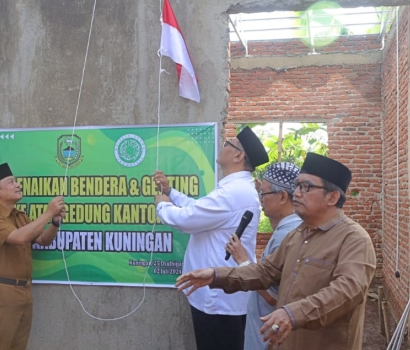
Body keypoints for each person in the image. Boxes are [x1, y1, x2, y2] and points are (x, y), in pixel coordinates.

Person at [175, 153, 376, 350]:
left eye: (306, 187)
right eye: (297, 185)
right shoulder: (298, 235)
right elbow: (265, 272)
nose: (296, 193)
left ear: (332, 197)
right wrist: (216, 275)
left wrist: (292, 314)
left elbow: (348, 291)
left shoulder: (354, 239)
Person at [153, 126, 269, 350]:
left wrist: (162, 204)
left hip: (218, 300)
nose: (223, 146)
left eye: (228, 144)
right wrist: (172, 192)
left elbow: (187, 220)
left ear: (238, 156)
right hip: (215, 294)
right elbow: (200, 210)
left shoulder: (233, 193)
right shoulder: (234, 189)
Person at [0, 163, 65, 350]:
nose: (17, 185)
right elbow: (18, 238)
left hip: (23, 292)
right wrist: (48, 212)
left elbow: (42, 240)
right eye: (11, 182)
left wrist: (55, 222)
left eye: (15, 181)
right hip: (1, 294)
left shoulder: (20, 217)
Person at [225, 162, 302, 350]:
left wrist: (243, 262)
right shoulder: (290, 228)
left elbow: (274, 298)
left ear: (283, 197)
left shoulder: (286, 236)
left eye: (264, 194)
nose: (260, 199)